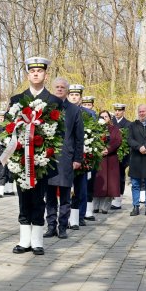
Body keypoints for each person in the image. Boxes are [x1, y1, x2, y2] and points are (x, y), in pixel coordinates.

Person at [9, 56, 57, 254]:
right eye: (32, 71)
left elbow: (58, 131)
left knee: (39, 198)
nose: (36, 74)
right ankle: (24, 240)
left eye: (40, 71)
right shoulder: (17, 100)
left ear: (46, 75)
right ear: (28, 74)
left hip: (43, 159)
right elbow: (9, 129)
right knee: (23, 198)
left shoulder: (53, 101)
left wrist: (47, 153)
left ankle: (37, 241)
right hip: (21, 159)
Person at [44, 78, 84, 237]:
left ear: (67, 90)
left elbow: (79, 137)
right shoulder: (46, 107)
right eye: (57, 87)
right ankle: (51, 226)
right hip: (48, 158)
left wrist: (78, 158)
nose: (60, 89)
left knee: (65, 195)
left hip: (67, 158)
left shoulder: (74, 110)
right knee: (50, 195)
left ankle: (62, 227)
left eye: (62, 87)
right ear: (52, 89)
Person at [67, 83, 95, 229]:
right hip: (67, 156)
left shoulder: (89, 114)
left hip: (83, 156)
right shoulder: (63, 110)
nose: (74, 97)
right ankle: (66, 217)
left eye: (76, 95)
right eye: (71, 94)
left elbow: (95, 135)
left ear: (81, 97)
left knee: (81, 188)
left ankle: (80, 216)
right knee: (65, 189)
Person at [93, 110, 121, 214]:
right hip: (99, 158)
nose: (104, 118)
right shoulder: (95, 129)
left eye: (106, 116)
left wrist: (108, 150)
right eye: (102, 116)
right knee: (98, 183)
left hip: (111, 159)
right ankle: (95, 206)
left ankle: (105, 207)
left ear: (109, 118)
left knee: (110, 184)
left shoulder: (114, 129)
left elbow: (117, 141)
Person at [110, 103, 130, 209]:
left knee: (120, 176)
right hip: (110, 154)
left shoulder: (128, 124)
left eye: (119, 110)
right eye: (116, 110)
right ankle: (110, 198)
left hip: (121, 155)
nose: (117, 112)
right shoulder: (110, 122)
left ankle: (118, 199)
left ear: (123, 111)